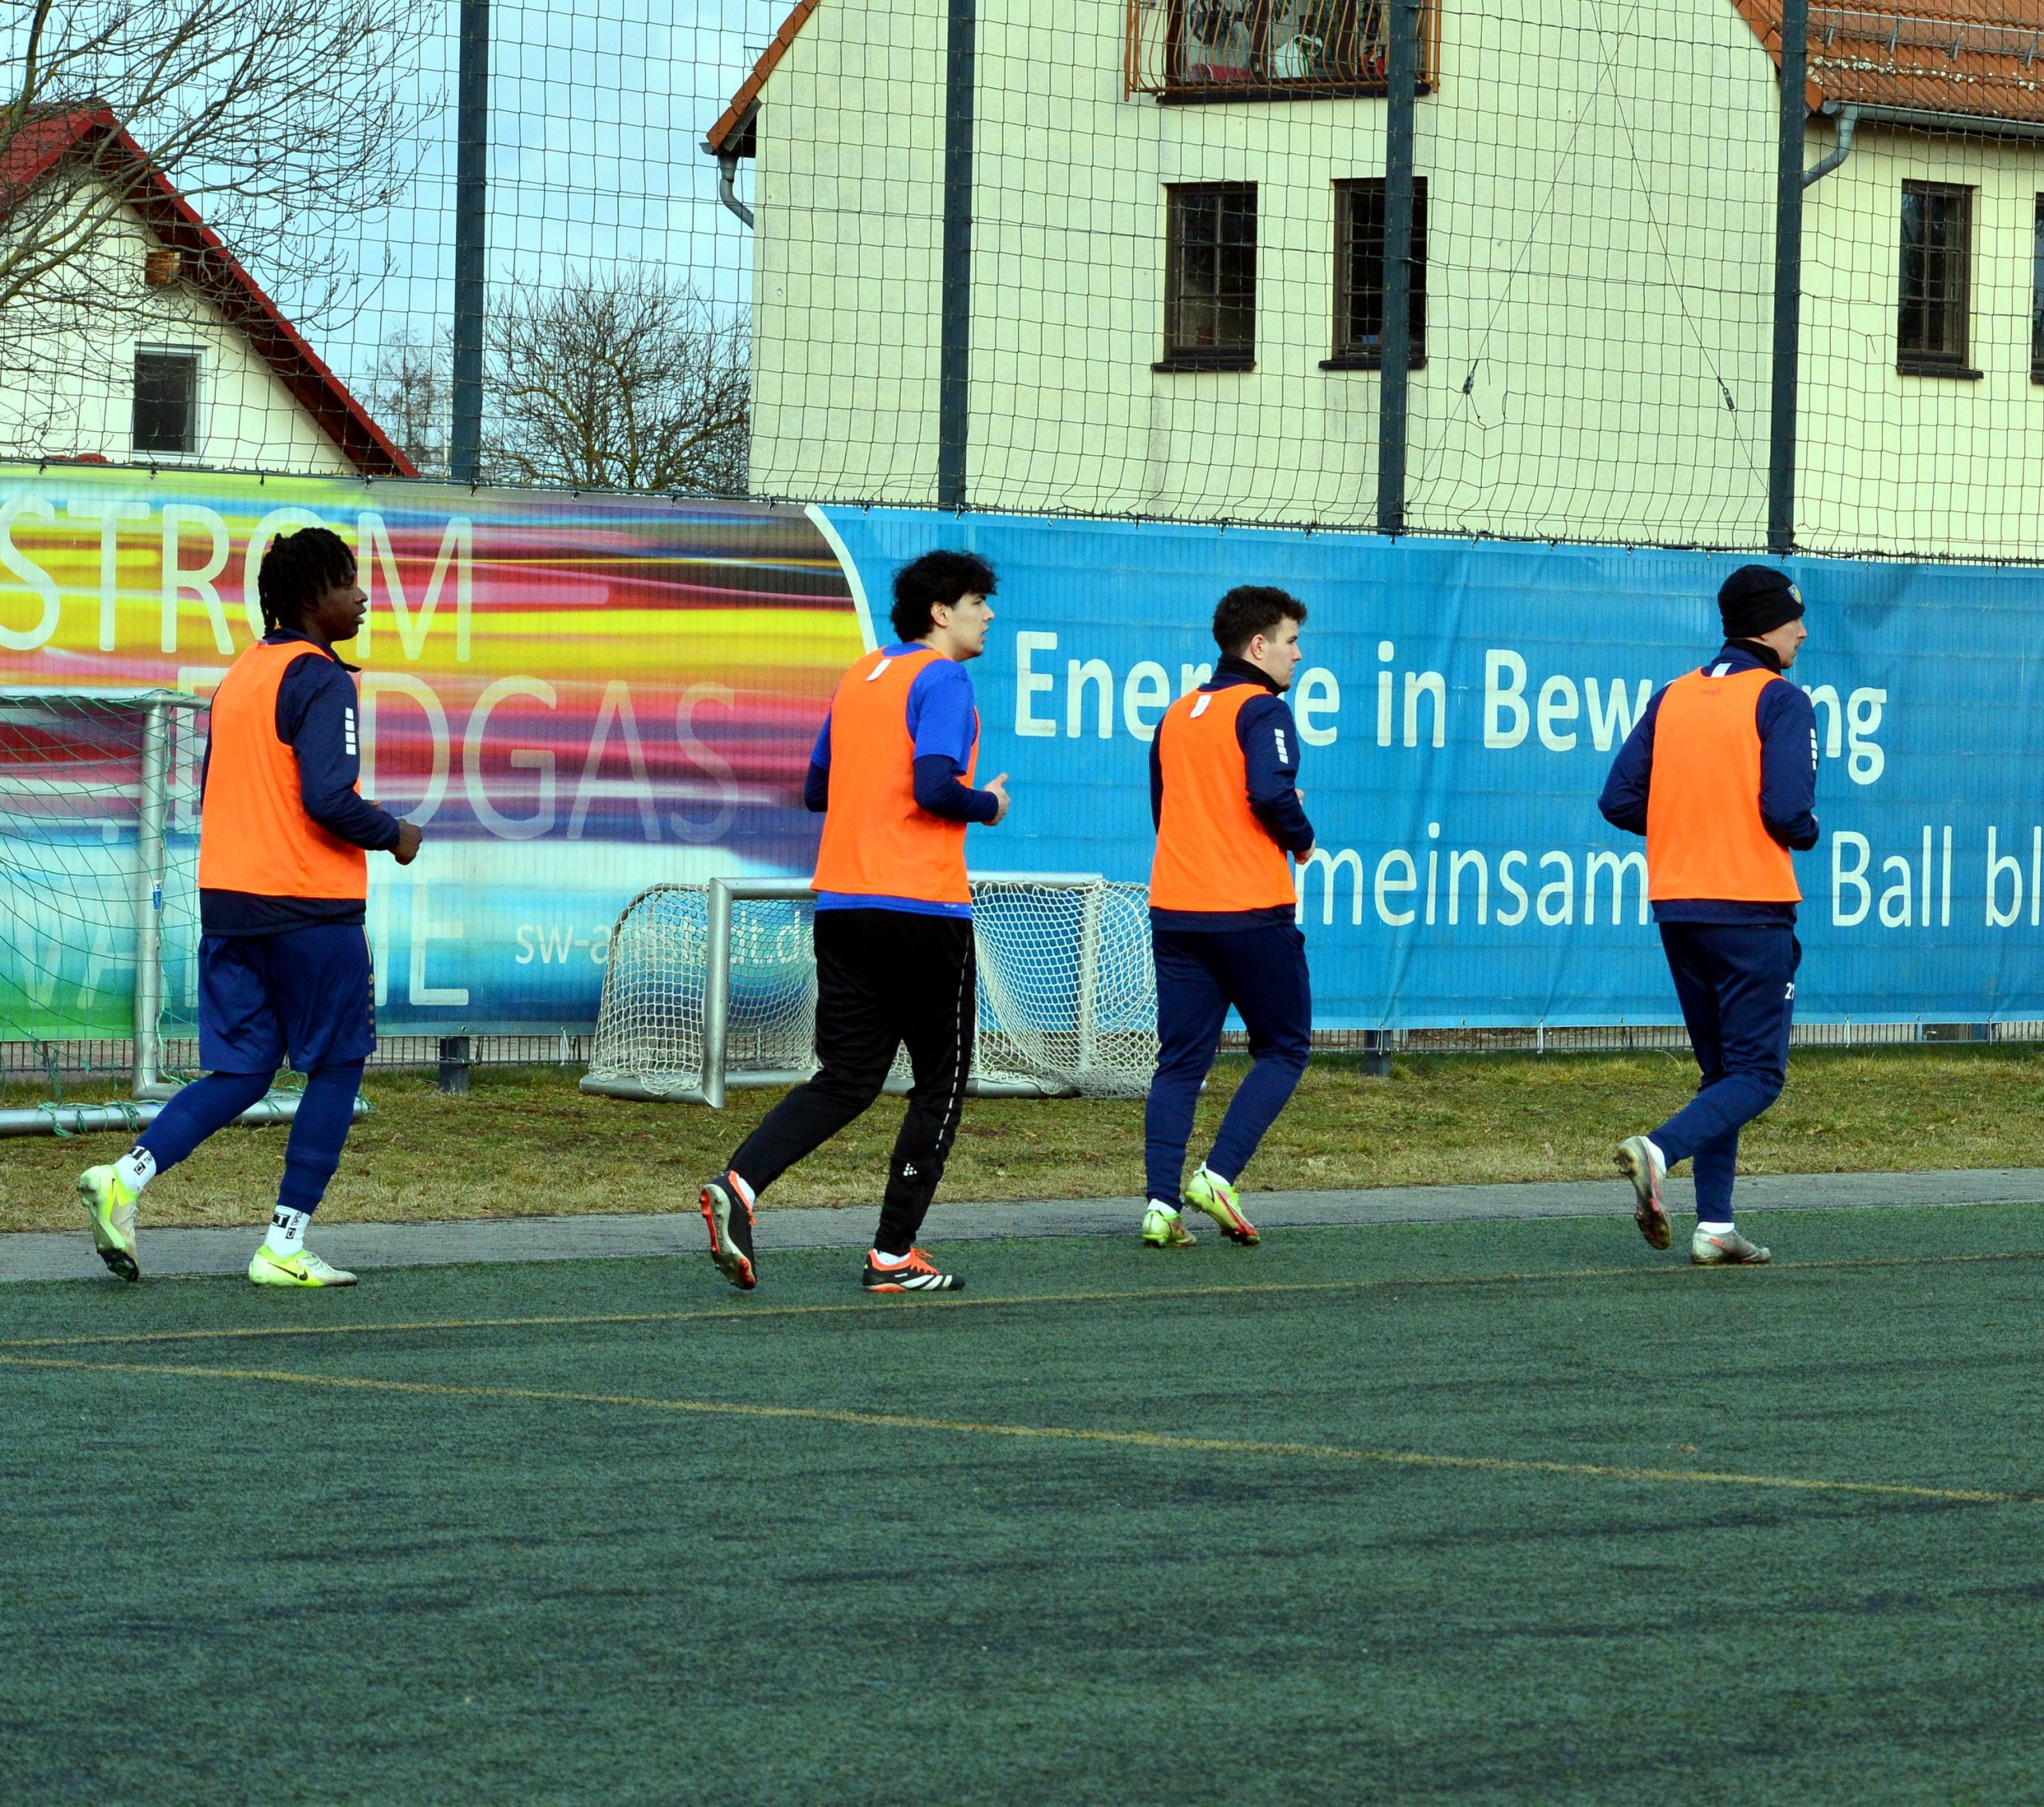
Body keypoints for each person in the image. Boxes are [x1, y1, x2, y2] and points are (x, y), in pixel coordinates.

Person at [77, 527, 422, 1286]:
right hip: (308, 908)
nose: (363, 596)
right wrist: (395, 832)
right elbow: (328, 799)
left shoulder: (240, 676)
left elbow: (218, 793)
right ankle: (283, 1245)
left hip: (231, 907)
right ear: (312, 596)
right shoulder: (322, 678)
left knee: (242, 1072)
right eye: (348, 582)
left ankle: (125, 1178)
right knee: (339, 1064)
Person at [697, 550, 1009, 1294]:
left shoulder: (860, 676)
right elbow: (936, 788)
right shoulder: (944, 678)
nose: (988, 614)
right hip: (920, 910)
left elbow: (817, 790)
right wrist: (988, 804)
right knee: (941, 1084)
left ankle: (739, 1184)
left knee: (846, 1077)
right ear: (941, 612)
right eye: (977, 602)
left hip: (842, 906)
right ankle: (892, 1255)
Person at [1598, 565, 1820, 1265]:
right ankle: (1658, 1150)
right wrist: (1807, 828)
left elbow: (1618, 799)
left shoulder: (1674, 695)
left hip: (1679, 904)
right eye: (1794, 619)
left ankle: (1716, 1225)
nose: (1802, 632)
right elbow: (1789, 812)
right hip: (1750, 905)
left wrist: (1689, 823)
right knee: (1758, 1074)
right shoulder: (1781, 699)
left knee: (1723, 1071)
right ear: (1767, 624)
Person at [1140, 586, 1316, 1250]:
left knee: (1180, 1062)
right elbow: (1270, 791)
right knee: (1285, 1047)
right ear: (1258, 645)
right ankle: (1217, 1176)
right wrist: (1301, 835)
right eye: (1291, 640)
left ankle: (1160, 1205)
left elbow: (1165, 813)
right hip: (1247, 910)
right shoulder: (1263, 708)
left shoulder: (1177, 713)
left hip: (1176, 910)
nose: (1298, 654)